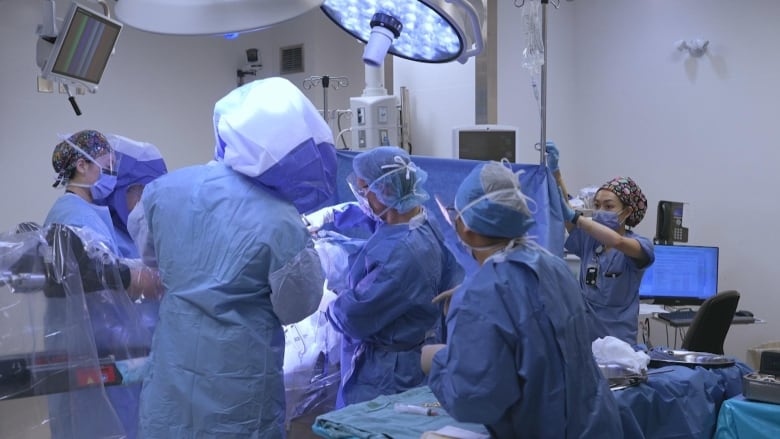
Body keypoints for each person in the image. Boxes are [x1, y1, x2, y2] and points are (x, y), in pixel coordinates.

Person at [137, 77, 336, 438]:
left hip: (173, 367)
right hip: (239, 385)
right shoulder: (281, 220)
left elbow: (152, 263)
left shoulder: (163, 191)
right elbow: (298, 306)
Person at [422, 161, 627, 438]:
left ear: (465, 227)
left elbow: (476, 402)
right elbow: (535, 319)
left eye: (454, 214)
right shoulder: (554, 266)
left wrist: (438, 361)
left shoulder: (482, 296)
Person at [43, 129, 163, 439]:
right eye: (106, 165)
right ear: (82, 165)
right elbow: (93, 273)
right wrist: (136, 278)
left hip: (102, 344)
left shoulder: (90, 213)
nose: (110, 174)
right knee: (96, 425)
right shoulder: (70, 213)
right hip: (89, 346)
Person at [323, 146, 463, 408]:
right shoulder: (420, 218)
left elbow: (356, 315)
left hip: (389, 375)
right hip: (413, 354)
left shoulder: (403, 256)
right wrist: (331, 217)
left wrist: (328, 304)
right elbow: (378, 223)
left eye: (364, 190)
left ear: (386, 190)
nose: (361, 196)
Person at [547, 142, 655, 345]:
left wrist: (577, 218)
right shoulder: (590, 242)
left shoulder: (640, 246)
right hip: (584, 342)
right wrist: (556, 174)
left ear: (628, 211)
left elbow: (616, 241)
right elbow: (567, 211)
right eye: (596, 205)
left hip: (618, 347)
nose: (600, 210)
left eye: (609, 206)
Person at [96, 134, 168, 259]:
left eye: (153, 194)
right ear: (118, 192)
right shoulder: (100, 235)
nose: (144, 202)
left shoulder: (152, 234)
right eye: (141, 191)